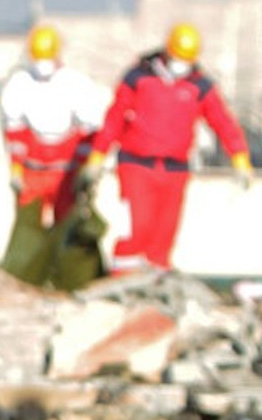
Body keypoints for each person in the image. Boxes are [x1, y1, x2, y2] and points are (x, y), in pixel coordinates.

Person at [80, 22, 253, 272]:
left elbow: (222, 121)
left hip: (175, 170)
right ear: (168, 51)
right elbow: (115, 118)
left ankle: (156, 284)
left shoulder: (199, 85)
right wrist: (97, 157)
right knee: (138, 228)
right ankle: (122, 279)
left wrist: (240, 158)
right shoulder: (139, 78)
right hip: (137, 165)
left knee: (164, 234)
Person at [0, 25, 106, 231]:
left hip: (65, 171)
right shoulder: (20, 83)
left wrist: (86, 166)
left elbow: (89, 128)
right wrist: (15, 168)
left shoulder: (75, 83)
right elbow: (13, 131)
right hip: (32, 171)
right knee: (28, 227)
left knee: (66, 226)